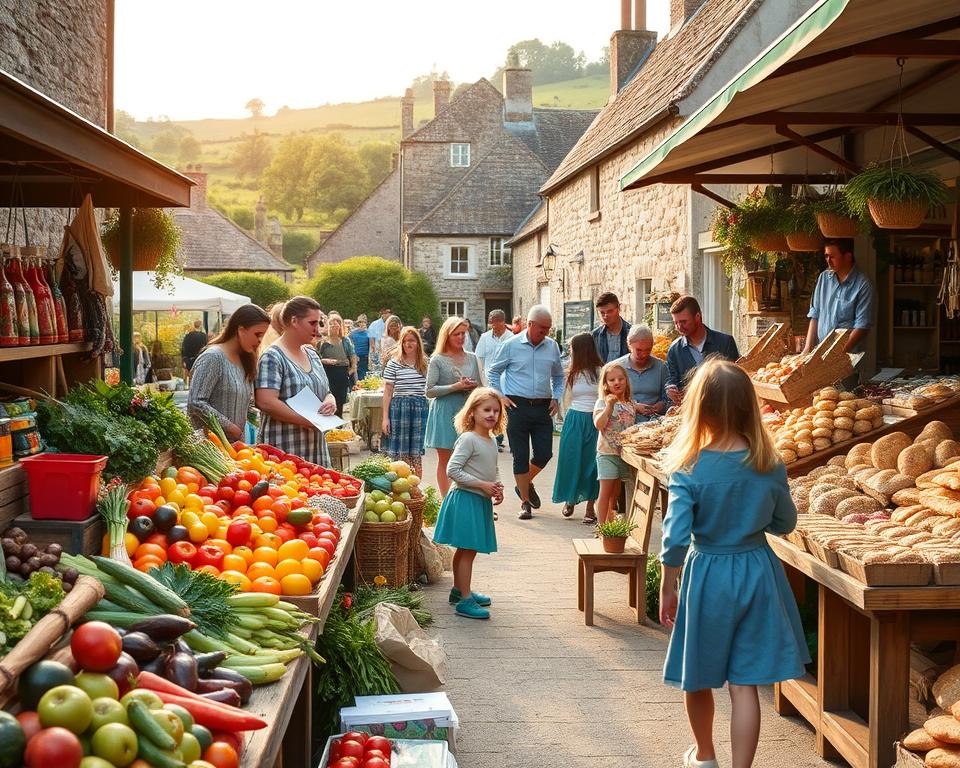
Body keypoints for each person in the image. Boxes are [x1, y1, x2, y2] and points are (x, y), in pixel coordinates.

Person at [658, 359, 809, 768]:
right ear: (748, 407)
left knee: (699, 674)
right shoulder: (768, 463)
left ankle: (705, 756)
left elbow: (674, 537)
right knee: (745, 685)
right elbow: (786, 522)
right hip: (758, 571)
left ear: (698, 408)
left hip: (707, 573)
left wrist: (668, 586)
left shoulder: (688, 466)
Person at [432, 387, 505, 620]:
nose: (492, 414)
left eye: (496, 410)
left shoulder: (491, 440)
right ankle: (464, 599)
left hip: (478, 499)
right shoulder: (468, 439)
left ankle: (458, 590)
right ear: (472, 412)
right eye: (486, 410)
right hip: (465, 499)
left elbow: (493, 468)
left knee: (467, 549)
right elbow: (453, 470)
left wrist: (497, 486)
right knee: (467, 549)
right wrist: (482, 485)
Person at [486, 305, 564, 520]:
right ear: (530, 325)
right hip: (516, 406)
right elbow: (493, 372)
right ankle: (525, 502)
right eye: (542, 329)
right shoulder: (510, 345)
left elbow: (558, 376)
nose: (546, 333)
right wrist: (500, 396)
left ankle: (524, 484)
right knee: (519, 455)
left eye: (548, 329)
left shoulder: (552, 347)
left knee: (544, 454)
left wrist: (556, 396)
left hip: (542, 406)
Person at [255, 296, 337, 466]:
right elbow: (266, 402)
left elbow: (326, 391)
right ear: (294, 321)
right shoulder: (273, 356)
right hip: (285, 453)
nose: (318, 329)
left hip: (316, 450)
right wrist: (307, 421)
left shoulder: (312, 354)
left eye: (319, 323)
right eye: (312, 323)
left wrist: (331, 401)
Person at [188, 304, 270, 439]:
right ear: (241, 329)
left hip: (235, 450)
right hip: (209, 448)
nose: (260, 340)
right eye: (257, 334)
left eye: (263, 336)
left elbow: (246, 405)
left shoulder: (245, 360)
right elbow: (196, 402)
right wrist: (230, 427)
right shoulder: (213, 357)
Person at [425, 316, 481, 495]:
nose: (460, 337)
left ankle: (470, 499)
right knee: (446, 460)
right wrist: (455, 386)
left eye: (463, 333)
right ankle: (446, 501)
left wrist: (473, 386)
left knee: (469, 459)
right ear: (446, 336)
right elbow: (429, 391)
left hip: (467, 412)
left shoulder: (472, 358)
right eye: (456, 334)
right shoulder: (437, 359)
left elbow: (481, 387)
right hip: (444, 412)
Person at [552, 333, 601, 523]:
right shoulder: (570, 372)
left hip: (595, 419)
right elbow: (562, 396)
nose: (570, 352)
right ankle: (570, 498)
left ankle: (590, 507)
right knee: (571, 460)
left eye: (572, 349)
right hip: (574, 419)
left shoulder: (601, 370)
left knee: (592, 464)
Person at [803, 237, 875, 356]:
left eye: (832, 257)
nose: (828, 261)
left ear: (847, 257)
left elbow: (862, 326)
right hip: (820, 353)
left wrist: (837, 354)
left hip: (847, 357)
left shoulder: (863, 285)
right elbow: (814, 315)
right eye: (826, 256)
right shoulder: (823, 278)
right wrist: (807, 349)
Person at [665, 295, 739, 407]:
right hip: (691, 409)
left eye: (684, 322)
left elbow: (735, 379)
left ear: (698, 317)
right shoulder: (674, 350)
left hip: (722, 407)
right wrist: (670, 389)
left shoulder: (725, 342)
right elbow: (672, 379)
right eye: (676, 323)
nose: (679, 327)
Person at [381, 326, 429, 476]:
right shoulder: (394, 363)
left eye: (412, 341)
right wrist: (385, 418)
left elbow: (431, 387)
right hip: (399, 407)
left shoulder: (425, 363)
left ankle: (415, 482)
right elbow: (388, 392)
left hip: (419, 407)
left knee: (415, 448)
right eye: (405, 341)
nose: (408, 344)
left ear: (418, 343)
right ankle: (400, 479)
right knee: (399, 447)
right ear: (401, 343)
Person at [593, 362, 636, 527]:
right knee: (605, 490)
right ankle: (602, 527)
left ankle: (613, 521)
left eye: (620, 378)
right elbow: (598, 424)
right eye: (611, 380)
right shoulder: (602, 403)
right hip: (607, 453)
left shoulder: (630, 403)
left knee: (616, 492)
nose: (617, 382)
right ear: (605, 384)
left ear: (626, 380)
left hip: (625, 455)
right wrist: (609, 407)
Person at [475, 309, 514, 450]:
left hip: (506, 381)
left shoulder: (511, 338)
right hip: (488, 380)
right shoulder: (485, 337)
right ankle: (494, 439)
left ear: (503, 322)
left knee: (503, 410)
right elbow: (479, 357)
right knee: (490, 409)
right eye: (491, 324)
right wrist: (482, 378)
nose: (493, 327)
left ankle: (499, 437)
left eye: (496, 324)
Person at [615, 325, 669, 423]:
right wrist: (634, 406)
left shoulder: (661, 367)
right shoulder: (616, 367)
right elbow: (608, 399)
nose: (644, 354)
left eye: (648, 350)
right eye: (639, 350)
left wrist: (662, 405)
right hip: (624, 423)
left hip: (653, 424)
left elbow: (668, 396)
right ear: (629, 346)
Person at [318, 313, 357, 417]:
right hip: (327, 374)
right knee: (328, 400)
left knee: (340, 402)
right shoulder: (322, 342)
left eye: (336, 324)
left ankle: (339, 427)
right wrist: (325, 361)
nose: (334, 326)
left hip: (342, 374)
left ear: (340, 326)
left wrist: (351, 370)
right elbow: (317, 358)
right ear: (328, 325)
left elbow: (353, 357)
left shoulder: (345, 341)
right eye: (331, 324)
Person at [591, 292, 631, 363]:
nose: (605, 316)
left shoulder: (631, 333)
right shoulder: (596, 335)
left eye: (610, 311)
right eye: (602, 313)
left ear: (619, 308)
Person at [349, 315, 371, 382]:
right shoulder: (352, 333)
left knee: (363, 376)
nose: (362, 324)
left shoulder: (369, 333)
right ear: (358, 323)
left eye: (363, 322)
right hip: (355, 357)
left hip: (365, 357)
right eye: (360, 322)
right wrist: (354, 355)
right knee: (355, 376)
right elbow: (350, 345)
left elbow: (371, 346)